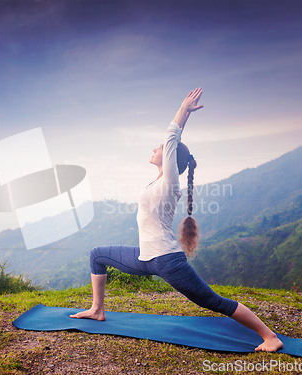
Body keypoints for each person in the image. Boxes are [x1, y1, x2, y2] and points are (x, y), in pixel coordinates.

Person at [70, 88, 283, 352]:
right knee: (96, 255)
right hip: (145, 258)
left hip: (168, 261)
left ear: (171, 159)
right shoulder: (156, 182)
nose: (156, 148)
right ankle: (97, 310)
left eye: (160, 148)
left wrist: (183, 111)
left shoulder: (171, 181)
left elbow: (171, 137)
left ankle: (270, 336)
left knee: (212, 301)